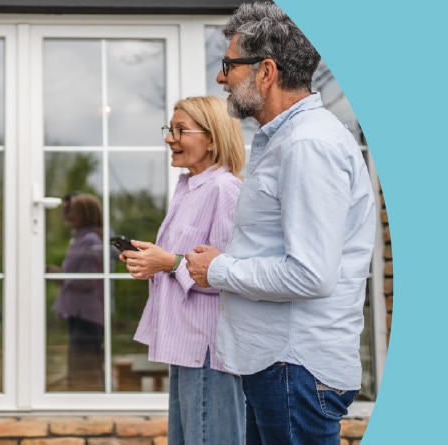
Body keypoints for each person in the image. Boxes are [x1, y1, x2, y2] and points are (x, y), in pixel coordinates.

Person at [184, 3, 377, 444]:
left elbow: (310, 274)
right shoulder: (285, 140)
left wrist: (217, 269)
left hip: (295, 369)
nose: (220, 77)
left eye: (229, 65)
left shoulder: (308, 146)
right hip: (280, 368)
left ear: (266, 71)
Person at [119, 96, 246, 445]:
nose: (169, 138)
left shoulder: (225, 190)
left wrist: (169, 262)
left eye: (180, 130)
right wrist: (152, 260)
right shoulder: (187, 187)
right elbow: (181, 259)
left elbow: (230, 274)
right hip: (185, 347)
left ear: (212, 139)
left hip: (207, 349)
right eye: (169, 129)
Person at [48, 192, 105, 391]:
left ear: (84, 213)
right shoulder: (80, 239)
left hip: (87, 315)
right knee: (80, 365)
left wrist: (62, 277)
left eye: (69, 210)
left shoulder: (90, 240)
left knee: (85, 365)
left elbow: (89, 279)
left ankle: (91, 403)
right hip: (79, 312)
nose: (65, 214)